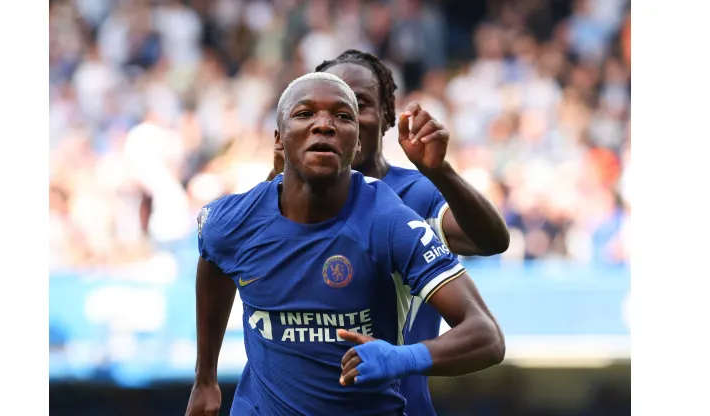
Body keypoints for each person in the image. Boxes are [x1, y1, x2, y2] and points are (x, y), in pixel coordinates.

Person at [186, 72, 505, 415]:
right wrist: (205, 378)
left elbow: (487, 335)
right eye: (305, 113)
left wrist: (403, 357)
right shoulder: (231, 220)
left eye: (342, 116)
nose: (324, 125)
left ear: (356, 144)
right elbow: (214, 258)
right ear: (279, 141)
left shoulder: (389, 221)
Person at [267, 49, 510, 415]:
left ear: (387, 117)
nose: (332, 121)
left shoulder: (416, 196)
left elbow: (491, 241)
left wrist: (441, 172)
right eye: (320, 109)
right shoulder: (286, 200)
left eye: (357, 104)